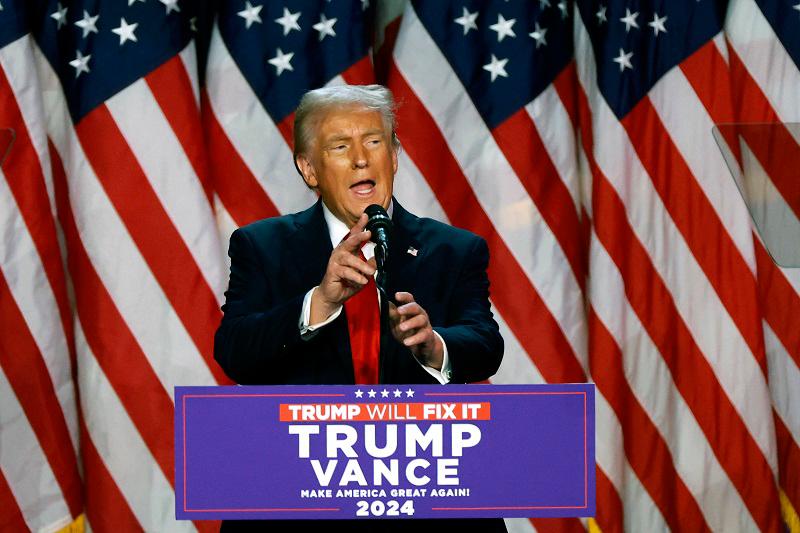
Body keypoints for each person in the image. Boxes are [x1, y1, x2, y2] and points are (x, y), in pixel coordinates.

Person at [214, 84, 506, 532]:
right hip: (298, 506)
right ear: (309, 169)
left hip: (427, 500)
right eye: (339, 146)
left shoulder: (454, 249)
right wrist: (320, 301)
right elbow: (234, 351)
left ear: (394, 156)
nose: (361, 158)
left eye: (374, 141)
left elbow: (485, 343)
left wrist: (432, 346)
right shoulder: (262, 246)